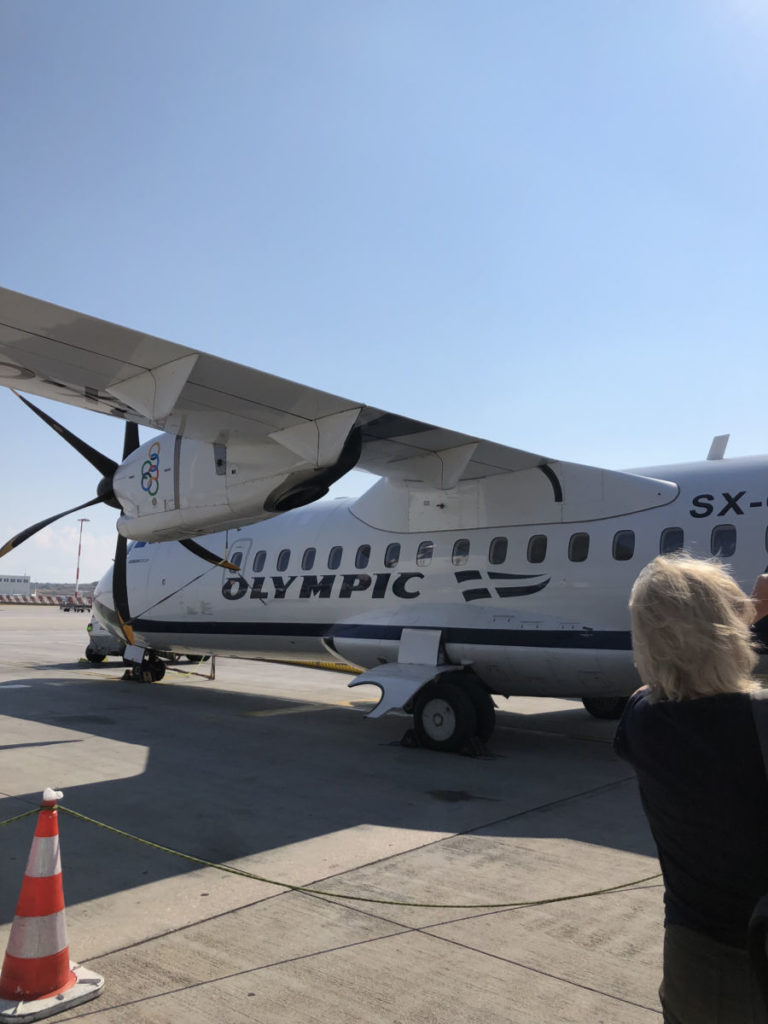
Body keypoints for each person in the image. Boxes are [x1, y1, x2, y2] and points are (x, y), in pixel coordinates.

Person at [614, 554, 768, 1023]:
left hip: (692, 962)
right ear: (728, 627)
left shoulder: (641, 724)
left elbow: (661, 687)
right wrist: (752, 611)